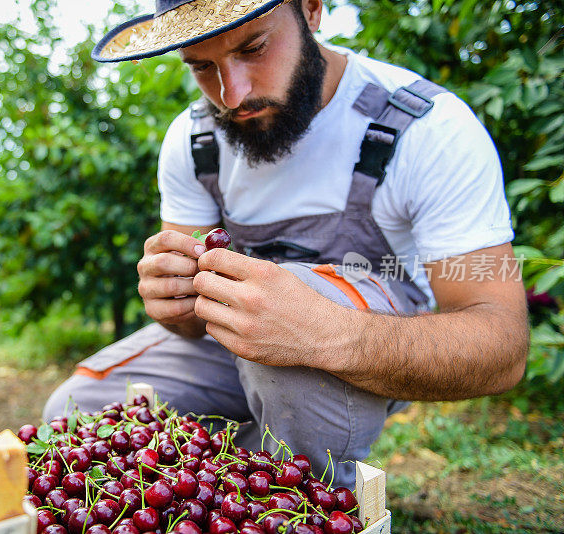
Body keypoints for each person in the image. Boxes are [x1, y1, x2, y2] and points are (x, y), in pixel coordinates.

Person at [43, 0, 528, 487]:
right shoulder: (193, 141)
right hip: (237, 345)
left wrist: (324, 332)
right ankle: (219, 488)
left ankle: (293, 498)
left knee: (285, 344)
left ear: (312, 11)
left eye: (253, 48)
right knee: (75, 414)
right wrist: (176, 303)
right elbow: (193, 323)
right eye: (202, 67)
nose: (232, 95)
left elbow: (503, 345)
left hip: (371, 349)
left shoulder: (427, 128)